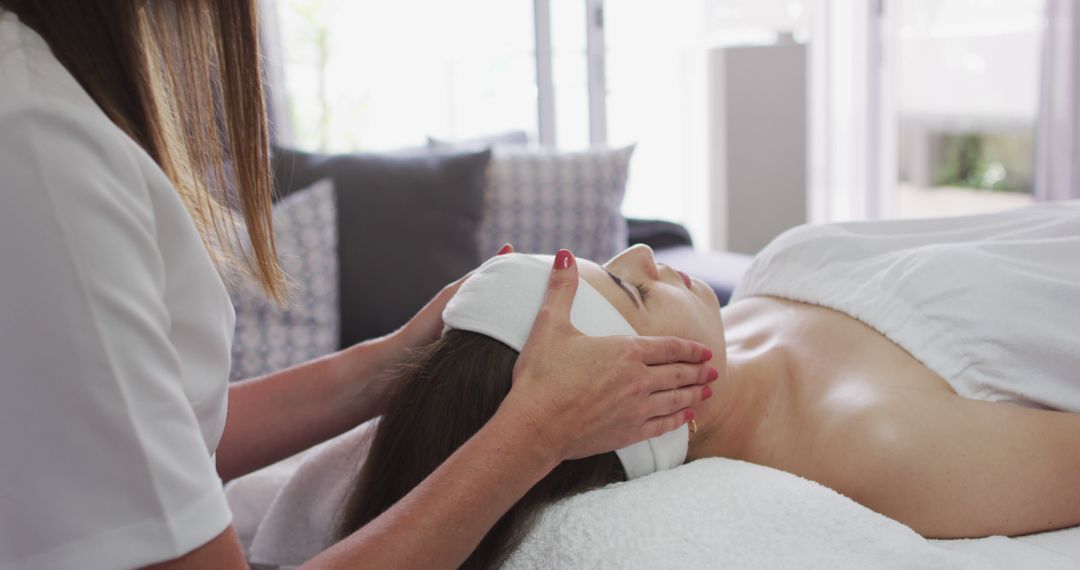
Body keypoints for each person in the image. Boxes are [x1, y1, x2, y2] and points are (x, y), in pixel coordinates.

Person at [0, 3, 718, 569]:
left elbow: (140, 443)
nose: (644, 253)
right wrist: (535, 433)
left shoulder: (46, 110)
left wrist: (389, 363)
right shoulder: (37, 145)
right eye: (630, 292)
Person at [341, 206, 1080, 568]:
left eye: (610, 267)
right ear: (644, 408)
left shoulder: (757, 292)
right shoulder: (883, 443)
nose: (641, 252)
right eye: (631, 294)